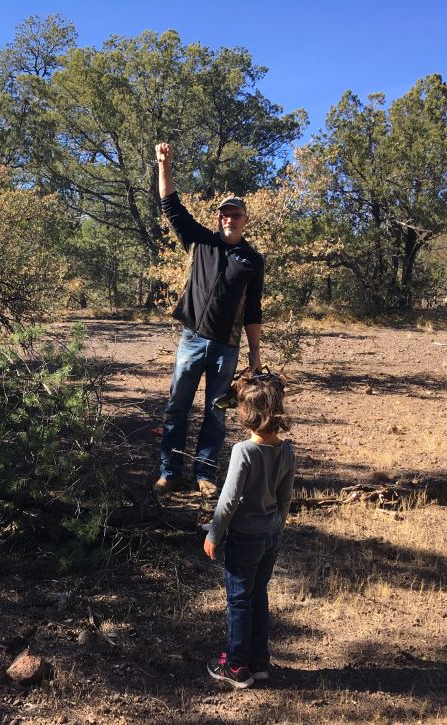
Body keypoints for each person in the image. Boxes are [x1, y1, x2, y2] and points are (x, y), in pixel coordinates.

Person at [153, 142, 264, 498]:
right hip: (192, 339)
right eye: (225, 214)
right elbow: (170, 205)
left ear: (246, 220)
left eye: (236, 215)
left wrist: (255, 356)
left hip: (226, 348)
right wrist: (164, 165)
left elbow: (253, 310)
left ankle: (204, 473)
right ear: (219, 219)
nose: (230, 219)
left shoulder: (252, 260)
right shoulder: (201, 241)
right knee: (176, 408)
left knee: (215, 413)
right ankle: (169, 471)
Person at [203, 373, 294, 689]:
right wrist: (276, 525)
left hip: (245, 537)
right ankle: (259, 660)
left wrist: (214, 533)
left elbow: (229, 499)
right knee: (258, 594)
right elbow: (285, 497)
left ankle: (237, 665)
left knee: (239, 599)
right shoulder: (286, 450)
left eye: (240, 408)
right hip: (271, 535)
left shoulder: (244, 451)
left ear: (249, 414)